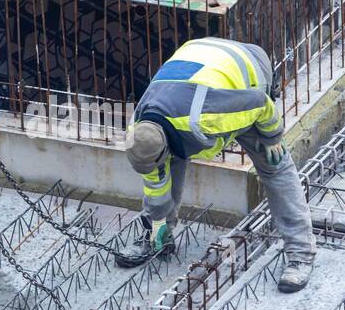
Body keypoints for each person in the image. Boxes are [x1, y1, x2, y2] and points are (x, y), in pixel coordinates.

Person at [116, 37, 316, 292]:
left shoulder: (208, 118)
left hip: (246, 76)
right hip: (200, 60)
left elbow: (259, 103)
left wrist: (273, 136)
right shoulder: (140, 131)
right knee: (171, 160)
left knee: (274, 164)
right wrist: (157, 225)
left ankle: (301, 253)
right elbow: (156, 186)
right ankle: (158, 238)